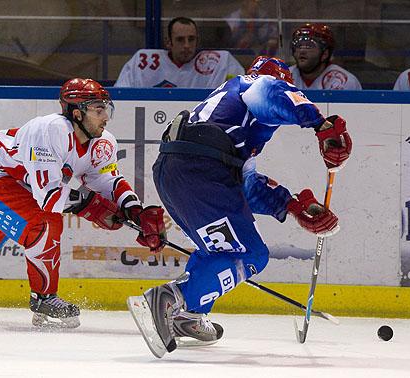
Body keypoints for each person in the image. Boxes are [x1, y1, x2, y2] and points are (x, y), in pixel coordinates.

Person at [127, 56, 352, 358]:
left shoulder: (228, 114)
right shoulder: (254, 85)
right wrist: (321, 124)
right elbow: (268, 91)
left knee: (219, 249)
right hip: (201, 170)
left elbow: (244, 185)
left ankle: (188, 315)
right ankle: (170, 298)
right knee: (251, 254)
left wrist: (291, 204)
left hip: (175, 170)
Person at [0, 78, 166, 328]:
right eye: (98, 109)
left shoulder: (103, 141)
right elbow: (49, 198)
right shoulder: (50, 131)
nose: (106, 116)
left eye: (106, 108)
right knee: (44, 224)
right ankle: (44, 298)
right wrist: (92, 207)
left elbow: (107, 181)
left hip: (17, 183)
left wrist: (135, 211)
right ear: (77, 113)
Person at [115, 17, 245, 88]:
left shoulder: (219, 61)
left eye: (191, 39)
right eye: (180, 40)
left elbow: (242, 91)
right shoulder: (143, 62)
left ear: (198, 40)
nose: (187, 45)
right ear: (168, 42)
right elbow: (121, 93)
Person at [289, 23, 362, 90]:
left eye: (309, 46)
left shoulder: (343, 80)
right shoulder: (284, 76)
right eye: (298, 45)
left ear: (325, 54)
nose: (302, 50)